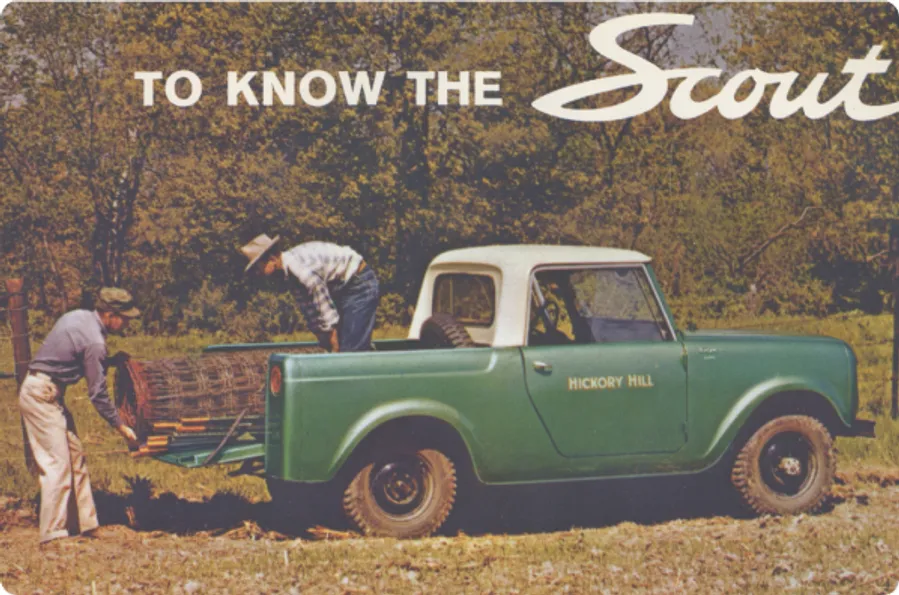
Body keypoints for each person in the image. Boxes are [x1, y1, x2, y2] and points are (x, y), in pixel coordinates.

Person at [19, 287, 140, 546]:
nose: (127, 322)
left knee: (75, 457)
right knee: (57, 464)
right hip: (41, 395)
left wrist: (109, 361)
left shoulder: (80, 316)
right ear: (109, 315)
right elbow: (97, 394)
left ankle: (86, 525)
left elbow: (75, 358)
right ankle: (52, 534)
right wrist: (121, 427)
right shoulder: (95, 341)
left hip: (49, 392)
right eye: (125, 317)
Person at [240, 234, 379, 352]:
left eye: (258, 267)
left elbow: (318, 290)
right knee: (344, 347)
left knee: (351, 351)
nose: (258, 273)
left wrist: (330, 333)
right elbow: (308, 307)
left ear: (272, 259)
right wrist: (322, 335)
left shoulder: (297, 266)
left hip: (358, 284)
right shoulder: (289, 276)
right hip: (342, 288)